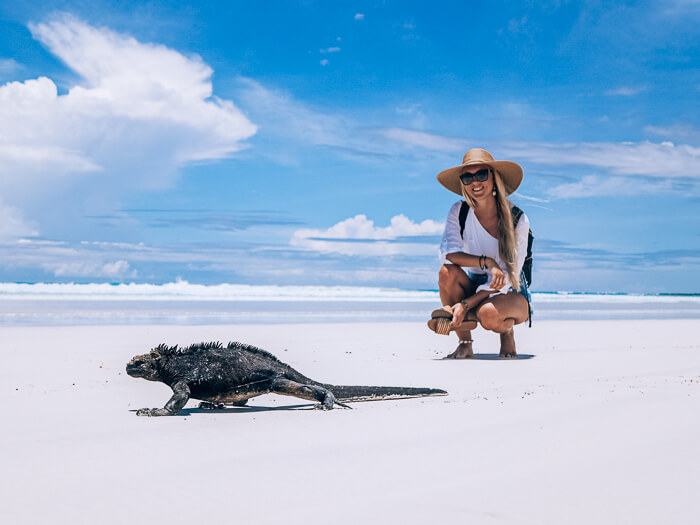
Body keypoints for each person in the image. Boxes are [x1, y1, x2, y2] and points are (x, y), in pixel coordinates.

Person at [428, 148, 531, 359]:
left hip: (511, 291)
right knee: (446, 273)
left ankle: (504, 329)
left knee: (488, 315)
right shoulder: (460, 211)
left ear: (494, 178)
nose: (475, 182)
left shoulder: (517, 219)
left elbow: (507, 278)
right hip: (475, 284)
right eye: (467, 177)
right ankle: (465, 342)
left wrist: (465, 304)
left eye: (482, 174)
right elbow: (449, 254)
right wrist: (488, 262)